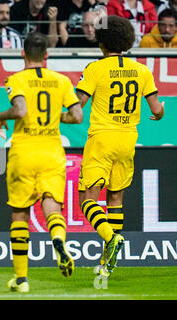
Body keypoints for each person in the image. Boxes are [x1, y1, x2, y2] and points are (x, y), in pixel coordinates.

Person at [75, 15, 164, 277]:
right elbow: (157, 110)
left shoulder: (95, 69)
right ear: (126, 39)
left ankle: (110, 239)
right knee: (115, 199)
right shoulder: (142, 70)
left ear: (101, 41)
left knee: (87, 199)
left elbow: (78, 104)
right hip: (128, 140)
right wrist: (159, 114)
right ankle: (105, 265)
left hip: (102, 138)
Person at [0, 32, 83, 293]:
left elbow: (20, 110)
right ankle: (57, 238)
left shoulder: (16, 79)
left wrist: (1, 116)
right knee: (52, 205)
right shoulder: (62, 80)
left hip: (24, 150)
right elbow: (77, 116)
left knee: (20, 213)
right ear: (46, 55)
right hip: (52, 150)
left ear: (23, 54)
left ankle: (21, 279)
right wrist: (57, 117)